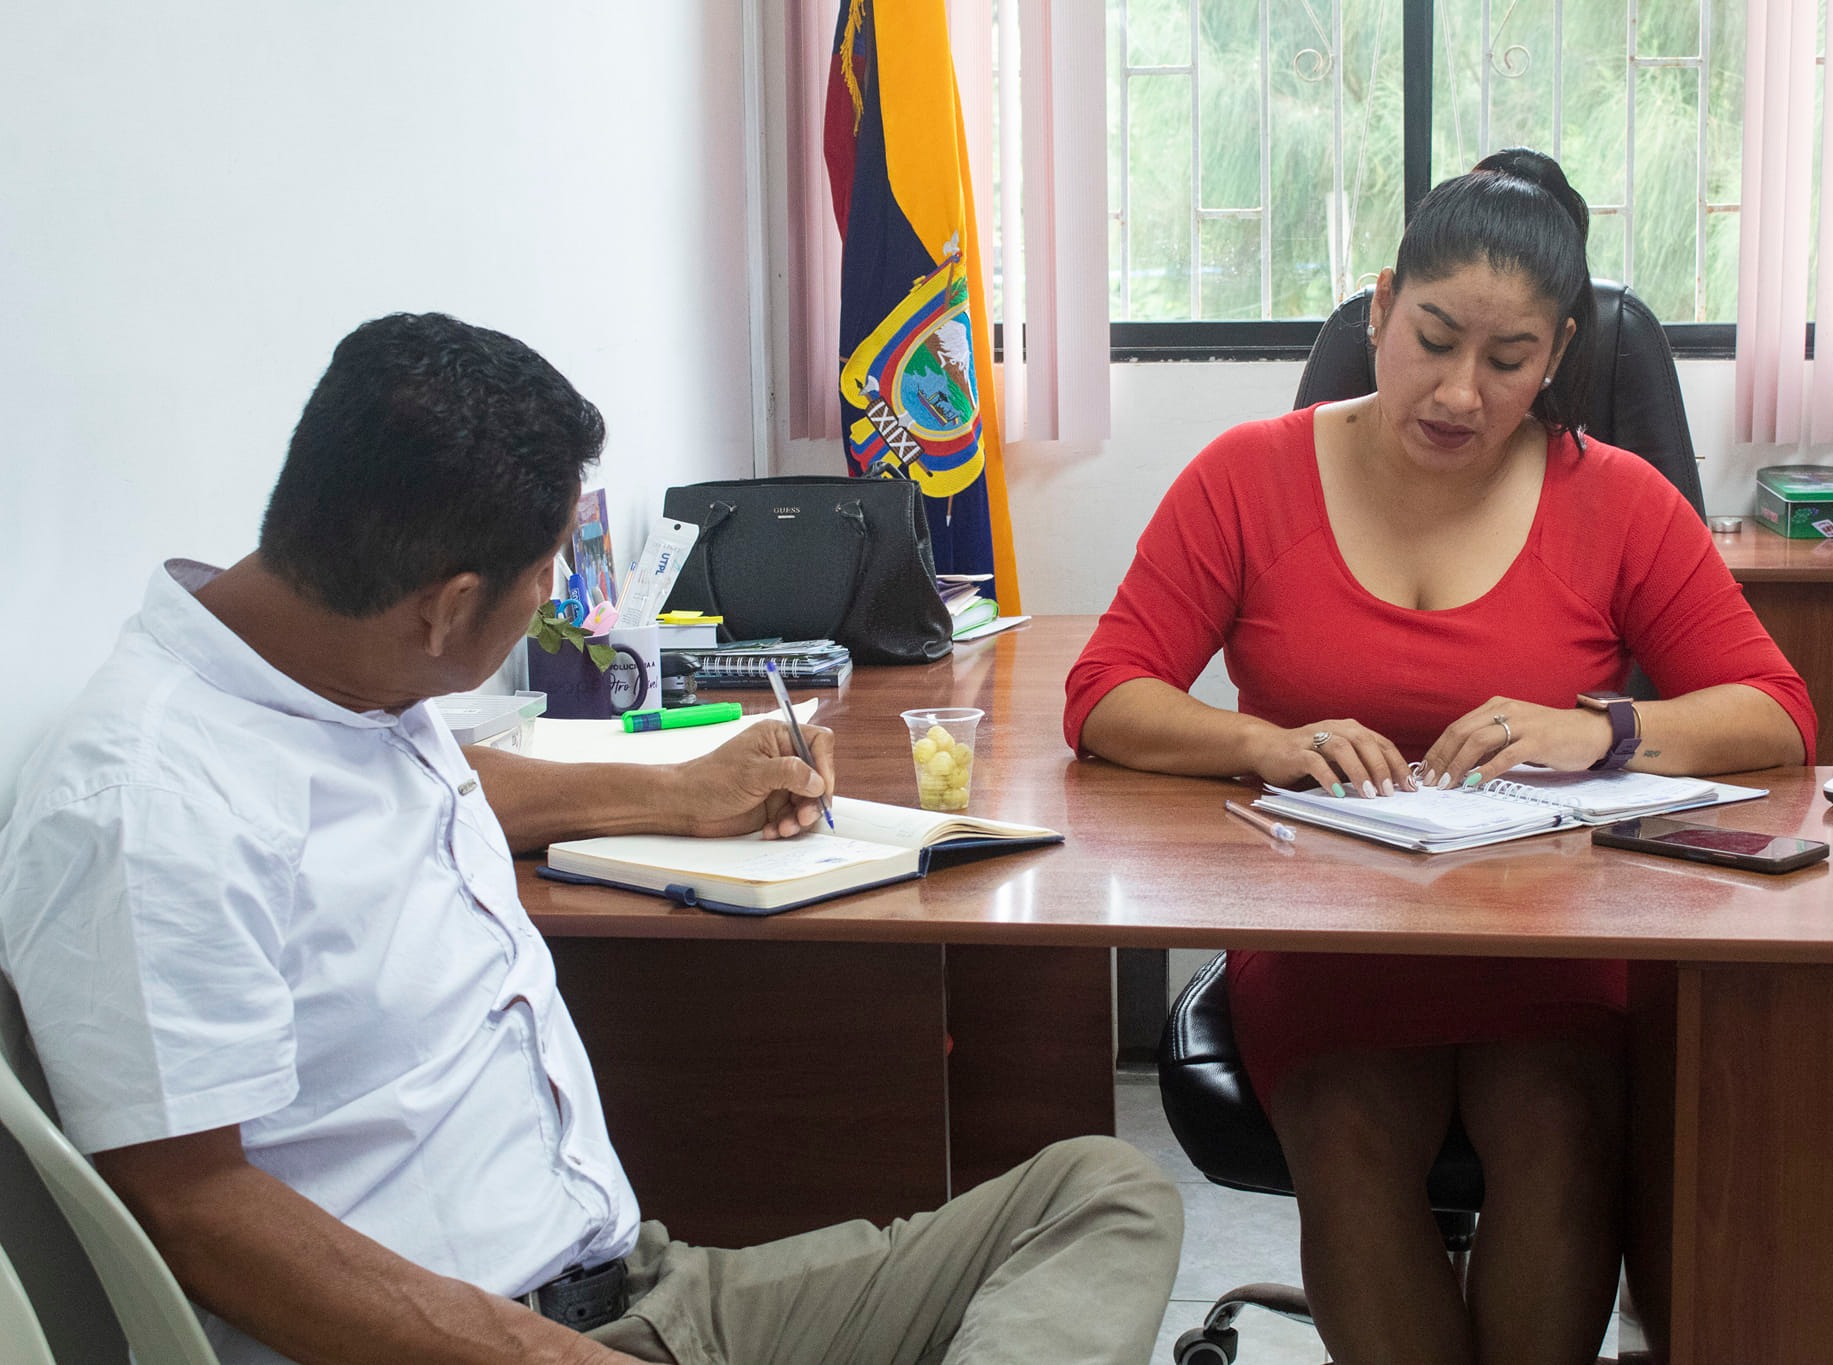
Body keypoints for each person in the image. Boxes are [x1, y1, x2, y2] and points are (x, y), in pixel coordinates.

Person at [0, 312, 1182, 1365]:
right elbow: (193, 1209)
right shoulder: (146, 806)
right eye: (549, 571)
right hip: (478, 1340)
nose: (560, 590)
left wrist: (678, 795)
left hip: (641, 1289)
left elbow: (425, 799)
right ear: (447, 607)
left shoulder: (332, 666)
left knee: (1100, 1193)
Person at [1063, 149, 1814, 1365]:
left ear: (1556, 355)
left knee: (1563, 1130)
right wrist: (1265, 742)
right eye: (1432, 339)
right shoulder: (1247, 477)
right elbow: (1105, 693)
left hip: (1550, 936)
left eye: (1507, 359)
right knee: (1350, 1133)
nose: (1460, 391)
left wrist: (1602, 728)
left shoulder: (1614, 500)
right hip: (1327, 933)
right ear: (1378, 308)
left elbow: (1776, 710)